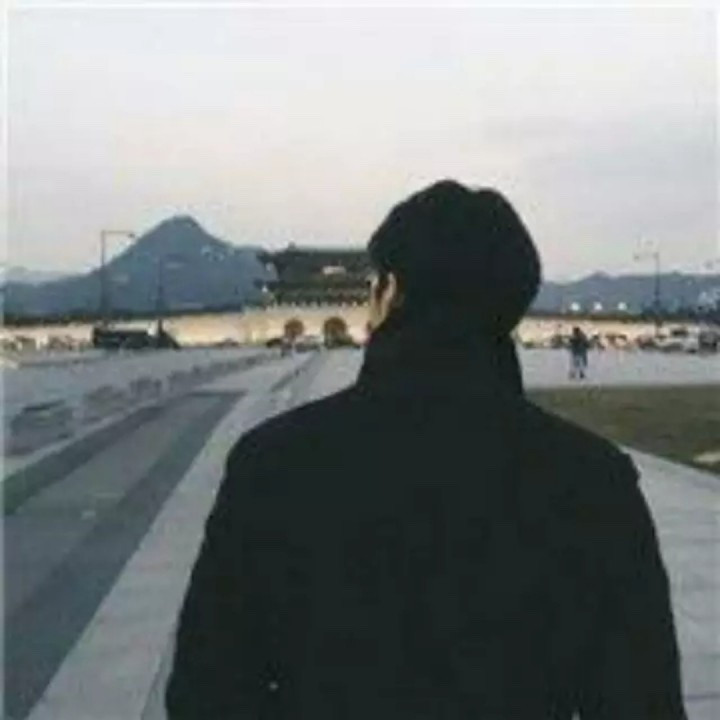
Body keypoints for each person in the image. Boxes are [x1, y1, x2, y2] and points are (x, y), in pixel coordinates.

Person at [166, 180, 686, 719]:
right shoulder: (591, 482)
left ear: (389, 290)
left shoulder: (273, 465)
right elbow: (644, 704)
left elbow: (206, 694)